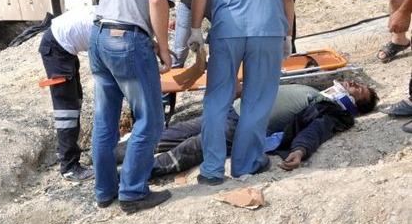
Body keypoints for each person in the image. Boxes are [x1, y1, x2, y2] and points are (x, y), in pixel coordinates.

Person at [189, 0, 296, 185]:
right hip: (268, 29)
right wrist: (288, 34)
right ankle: (246, 164)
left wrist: (196, 30)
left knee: (217, 100)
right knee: (257, 99)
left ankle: (211, 170)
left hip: (226, 31)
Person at [90, 0, 181, 213]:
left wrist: (149, 40)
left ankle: (105, 191)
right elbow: (157, 1)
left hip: (99, 37)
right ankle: (132, 193)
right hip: (125, 41)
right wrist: (164, 48)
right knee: (151, 120)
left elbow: (124, 7)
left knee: (106, 121)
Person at [150, 81, 379, 177]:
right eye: (355, 83)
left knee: (186, 150)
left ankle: (133, 174)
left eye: (358, 89)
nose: (352, 84)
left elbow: (316, 131)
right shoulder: (318, 93)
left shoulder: (331, 111)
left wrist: (300, 150)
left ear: (352, 104)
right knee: (170, 134)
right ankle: (116, 155)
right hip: (232, 111)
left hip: (241, 125)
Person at [38, 6, 96, 181]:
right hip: (56, 47)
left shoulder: (109, 17)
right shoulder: (105, 28)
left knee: (76, 99)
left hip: (63, 46)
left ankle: (69, 152)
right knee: (67, 111)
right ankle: (69, 167)